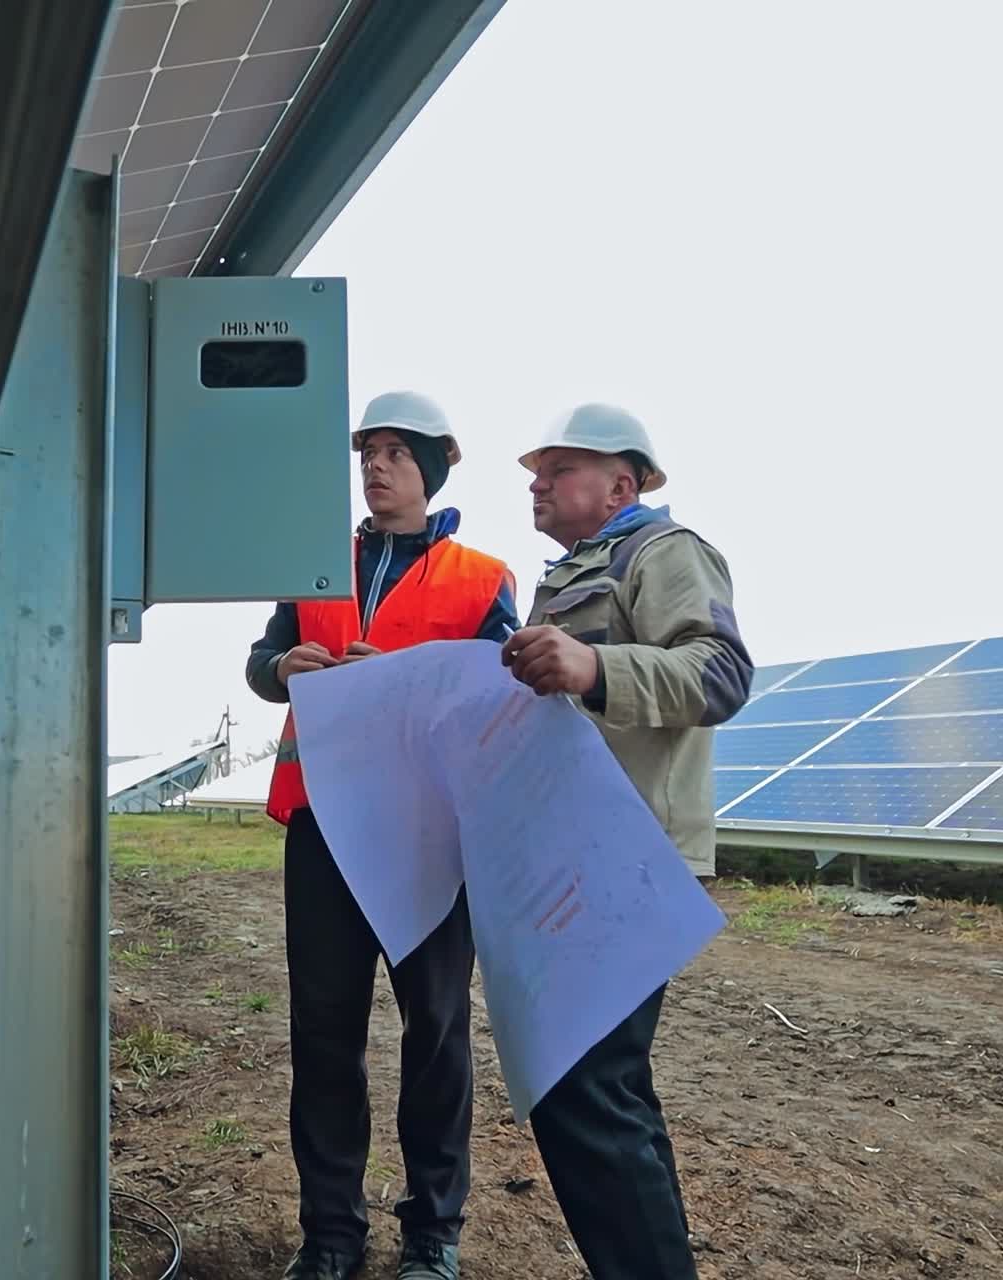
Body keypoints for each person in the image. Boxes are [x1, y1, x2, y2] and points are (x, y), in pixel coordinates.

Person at [247, 390, 519, 1280]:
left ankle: (431, 1234)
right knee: (324, 1035)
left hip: (427, 832)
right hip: (324, 828)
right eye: (367, 451)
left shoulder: (484, 578)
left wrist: (406, 680)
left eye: (397, 452)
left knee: (435, 1031)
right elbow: (259, 664)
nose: (375, 466)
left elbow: (503, 695)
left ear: (433, 468)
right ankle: (331, 1235)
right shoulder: (311, 563)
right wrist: (280, 667)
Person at [500, 403, 753, 1280]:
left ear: (622, 482)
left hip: (632, 855)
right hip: (575, 852)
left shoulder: (664, 553)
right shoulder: (568, 576)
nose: (536, 481)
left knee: (586, 1091)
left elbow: (721, 673)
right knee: (598, 1090)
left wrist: (595, 665)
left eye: (558, 468)